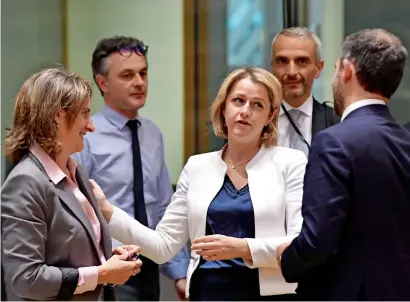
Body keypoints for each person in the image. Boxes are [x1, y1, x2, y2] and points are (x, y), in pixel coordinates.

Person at [93, 67, 308, 300]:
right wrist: (107, 210)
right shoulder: (197, 167)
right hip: (206, 292)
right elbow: (163, 245)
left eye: (257, 105)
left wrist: (243, 248)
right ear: (224, 107)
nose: (245, 111)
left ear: (269, 116)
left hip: (269, 294)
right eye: (238, 100)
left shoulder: (291, 163)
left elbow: (300, 243)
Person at [277, 29, 410, 300]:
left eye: (336, 69)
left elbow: (318, 240)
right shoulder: (405, 140)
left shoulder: (334, 142)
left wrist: (286, 259)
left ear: (347, 70)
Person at [1, 67, 142, 301]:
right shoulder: (25, 182)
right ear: (58, 116)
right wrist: (103, 272)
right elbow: (26, 279)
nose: (91, 126)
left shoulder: (76, 170)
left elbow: (69, 252)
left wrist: (107, 258)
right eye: (85, 114)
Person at [72, 35, 189, 301]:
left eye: (143, 73)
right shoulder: (85, 136)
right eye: (127, 75)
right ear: (102, 83)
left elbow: (163, 206)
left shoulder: (152, 133)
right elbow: (77, 209)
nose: (139, 83)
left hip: (149, 263)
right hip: (109, 267)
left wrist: (180, 271)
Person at [271, 27, 340, 157]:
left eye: (302, 61)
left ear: (318, 68)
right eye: (282, 61)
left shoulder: (338, 125)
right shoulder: (253, 123)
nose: (291, 72)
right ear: (272, 67)